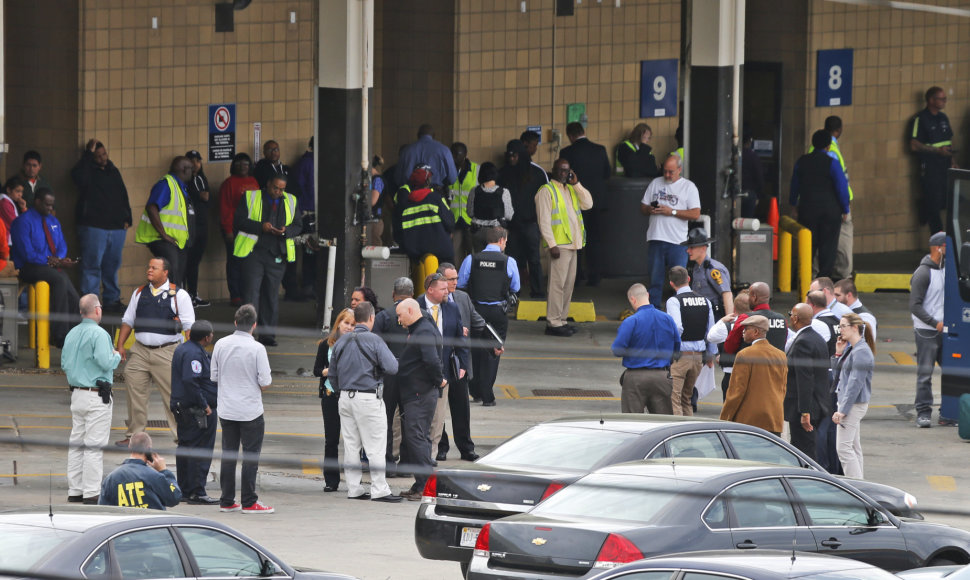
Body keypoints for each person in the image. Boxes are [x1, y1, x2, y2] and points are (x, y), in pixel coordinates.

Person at [115, 257, 195, 447]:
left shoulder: (179, 295)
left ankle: (182, 437)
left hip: (167, 352)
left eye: (154, 268)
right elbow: (128, 321)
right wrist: (120, 346)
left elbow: (189, 326)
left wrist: (189, 353)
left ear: (165, 272)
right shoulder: (139, 293)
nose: (149, 270)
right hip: (140, 352)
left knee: (174, 397)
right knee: (134, 392)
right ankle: (134, 436)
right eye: (148, 267)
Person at [329, 301, 402, 502]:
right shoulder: (375, 340)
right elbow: (392, 367)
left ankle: (354, 488)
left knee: (352, 446)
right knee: (375, 445)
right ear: (371, 318)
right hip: (368, 397)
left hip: (345, 398)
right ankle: (379, 489)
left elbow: (332, 375)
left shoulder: (340, 342)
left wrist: (342, 391)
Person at [211, 304, 274, 514]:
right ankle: (249, 501)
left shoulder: (220, 344)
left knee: (228, 454)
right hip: (250, 411)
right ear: (254, 325)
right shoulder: (257, 348)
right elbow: (265, 381)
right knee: (250, 456)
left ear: (235, 322)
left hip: (227, 409)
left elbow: (214, 376)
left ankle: (227, 500)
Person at [62, 294, 121, 505]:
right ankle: (91, 493)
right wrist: (117, 355)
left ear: (81, 311)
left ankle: (75, 489)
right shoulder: (100, 334)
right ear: (97, 310)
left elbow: (64, 364)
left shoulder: (71, 334)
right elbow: (106, 362)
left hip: (76, 393)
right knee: (94, 446)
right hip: (96, 394)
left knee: (76, 443)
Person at [233, 174, 301, 347]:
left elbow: (298, 226)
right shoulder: (251, 196)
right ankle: (246, 333)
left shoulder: (291, 200)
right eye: (275, 188)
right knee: (251, 294)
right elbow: (239, 221)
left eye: (281, 189)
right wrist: (260, 226)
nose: (278, 192)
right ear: (268, 184)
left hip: (277, 253)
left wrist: (286, 231)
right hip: (253, 252)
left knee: (271, 295)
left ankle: (267, 334)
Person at [10, 188, 80, 348]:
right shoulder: (23, 221)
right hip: (28, 267)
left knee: (74, 297)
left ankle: (75, 337)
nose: (50, 208)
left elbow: (62, 245)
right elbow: (27, 253)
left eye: (52, 205)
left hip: (52, 267)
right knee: (59, 280)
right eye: (47, 205)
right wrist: (52, 261)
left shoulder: (53, 221)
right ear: (38, 202)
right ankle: (59, 335)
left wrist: (60, 260)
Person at [458, 226, 519, 405]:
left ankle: (475, 391)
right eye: (506, 241)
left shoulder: (472, 259)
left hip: (475, 311)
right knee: (494, 351)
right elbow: (515, 287)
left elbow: (461, 283)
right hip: (497, 312)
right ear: (501, 240)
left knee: (474, 349)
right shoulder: (509, 261)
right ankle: (487, 395)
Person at [71, 138, 132, 312]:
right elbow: (77, 178)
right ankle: (90, 304)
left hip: (116, 227)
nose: (102, 158)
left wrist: (127, 217)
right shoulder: (87, 170)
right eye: (97, 156)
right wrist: (87, 156)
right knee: (92, 266)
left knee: (112, 265)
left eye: (104, 154)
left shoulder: (112, 170)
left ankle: (112, 300)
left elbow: (123, 194)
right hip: (93, 226)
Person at [395, 298, 446, 501]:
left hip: (420, 394)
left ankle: (425, 486)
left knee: (416, 438)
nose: (398, 320)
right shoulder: (420, 328)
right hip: (417, 393)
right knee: (418, 438)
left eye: (400, 315)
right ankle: (420, 484)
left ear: (410, 310)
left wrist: (438, 380)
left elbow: (431, 360)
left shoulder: (423, 331)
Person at [536, 158, 593, 336]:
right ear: (553, 171)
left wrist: (577, 184)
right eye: (560, 170)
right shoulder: (546, 191)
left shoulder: (570, 190)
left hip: (572, 245)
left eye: (567, 171)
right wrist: (552, 245)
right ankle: (553, 323)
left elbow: (588, 204)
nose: (564, 173)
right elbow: (543, 221)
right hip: (559, 246)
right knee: (556, 286)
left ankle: (562, 320)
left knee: (568, 285)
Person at [419, 274, 470, 462]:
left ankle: (430, 456)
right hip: (420, 373)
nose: (447, 291)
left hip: (444, 373)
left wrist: (463, 363)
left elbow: (459, 339)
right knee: (420, 417)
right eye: (443, 289)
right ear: (430, 290)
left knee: (437, 419)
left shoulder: (452, 307)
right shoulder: (415, 306)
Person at [435, 263, 484, 460]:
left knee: (461, 407)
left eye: (456, 278)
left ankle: (466, 448)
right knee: (438, 410)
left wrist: (494, 343)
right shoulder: (431, 302)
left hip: (458, 363)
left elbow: (478, 321)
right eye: (451, 279)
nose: (456, 282)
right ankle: (441, 446)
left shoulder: (463, 298)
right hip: (439, 362)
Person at [640, 155, 701, 307]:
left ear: (679, 170)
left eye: (671, 172)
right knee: (655, 280)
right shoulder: (655, 183)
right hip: (656, 238)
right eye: (665, 171)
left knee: (679, 282)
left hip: (677, 241)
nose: (667, 175)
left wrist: (672, 212)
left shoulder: (688, 187)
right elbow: (643, 207)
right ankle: (654, 312)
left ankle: (680, 312)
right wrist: (650, 209)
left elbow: (695, 213)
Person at [790, 130, 850, 279]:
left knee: (808, 245)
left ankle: (803, 278)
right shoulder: (833, 164)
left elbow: (794, 185)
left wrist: (793, 205)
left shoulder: (801, 161)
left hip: (807, 210)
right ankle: (824, 280)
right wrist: (845, 209)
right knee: (828, 247)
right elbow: (842, 188)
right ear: (828, 146)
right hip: (830, 211)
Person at [611, 283, 679, 414]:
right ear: (647, 295)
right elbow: (677, 348)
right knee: (663, 423)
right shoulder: (668, 319)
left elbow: (617, 350)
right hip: (662, 376)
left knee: (633, 422)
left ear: (632, 299)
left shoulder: (631, 321)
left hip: (635, 378)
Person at [170, 320, 218, 504]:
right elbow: (192, 381)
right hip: (196, 410)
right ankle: (198, 492)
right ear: (207, 337)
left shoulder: (183, 349)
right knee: (201, 449)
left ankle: (185, 490)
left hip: (184, 408)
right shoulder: (194, 354)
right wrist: (205, 405)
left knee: (186, 447)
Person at [560, 122, 611, 286]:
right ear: (583, 132)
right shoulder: (600, 149)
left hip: (577, 203)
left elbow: (563, 177)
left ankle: (577, 276)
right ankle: (595, 277)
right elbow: (607, 173)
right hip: (598, 202)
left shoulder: (567, 152)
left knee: (577, 240)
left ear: (570, 136)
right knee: (595, 240)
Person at [719, 315, 788, 435]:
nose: (743, 332)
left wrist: (725, 418)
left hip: (749, 421)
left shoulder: (745, 354)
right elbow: (782, 388)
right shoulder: (781, 355)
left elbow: (736, 391)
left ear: (756, 332)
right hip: (773, 419)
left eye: (746, 329)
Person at [372, 277, 414, 472]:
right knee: (408, 420)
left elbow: (375, 346)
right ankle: (406, 462)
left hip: (387, 375)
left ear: (393, 294)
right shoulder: (418, 315)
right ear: (412, 295)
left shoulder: (383, 316)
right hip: (411, 375)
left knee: (385, 419)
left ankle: (388, 462)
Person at [499, 139, 548, 298]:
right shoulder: (504, 173)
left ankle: (538, 291)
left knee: (533, 260)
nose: (511, 159)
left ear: (521, 155)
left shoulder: (537, 172)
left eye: (514, 156)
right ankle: (514, 293)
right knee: (512, 261)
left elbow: (546, 198)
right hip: (511, 225)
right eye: (509, 156)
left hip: (530, 223)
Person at [135, 156, 194, 287]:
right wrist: (164, 235)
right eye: (191, 169)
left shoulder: (180, 187)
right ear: (184, 169)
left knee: (176, 276)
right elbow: (151, 208)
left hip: (176, 242)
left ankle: (174, 304)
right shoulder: (167, 184)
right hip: (163, 240)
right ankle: (168, 304)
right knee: (170, 274)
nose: (193, 172)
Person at [313, 308, 355, 492]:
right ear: (338, 323)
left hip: (351, 396)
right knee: (331, 440)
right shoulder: (325, 344)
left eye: (353, 325)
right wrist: (331, 370)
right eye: (346, 323)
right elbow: (316, 370)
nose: (349, 327)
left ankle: (354, 480)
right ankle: (331, 480)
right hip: (331, 396)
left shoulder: (356, 344)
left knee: (353, 440)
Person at [665, 266, 716, 416]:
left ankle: (676, 435)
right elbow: (711, 332)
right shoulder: (705, 301)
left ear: (671, 284)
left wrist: (671, 351)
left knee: (674, 398)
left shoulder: (674, 301)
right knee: (686, 399)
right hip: (698, 357)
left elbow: (678, 328)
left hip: (681, 356)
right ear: (688, 279)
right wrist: (710, 355)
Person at [784, 303, 831, 460]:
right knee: (809, 447)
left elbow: (805, 379)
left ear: (796, 318)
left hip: (804, 409)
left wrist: (805, 412)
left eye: (791, 314)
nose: (790, 317)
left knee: (803, 451)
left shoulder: (802, 342)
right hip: (818, 405)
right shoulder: (817, 339)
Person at [832, 312, 875, 479]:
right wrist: (838, 354)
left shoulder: (861, 351)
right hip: (851, 403)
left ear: (855, 328)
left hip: (853, 405)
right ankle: (861, 484)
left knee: (843, 449)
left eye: (843, 326)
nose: (840, 330)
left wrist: (843, 409)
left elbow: (855, 382)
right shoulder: (853, 349)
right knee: (854, 447)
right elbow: (841, 377)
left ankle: (856, 487)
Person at [911, 231, 946, 428]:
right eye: (947, 247)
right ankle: (923, 412)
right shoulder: (923, 273)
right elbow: (915, 305)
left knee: (950, 371)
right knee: (925, 374)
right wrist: (935, 323)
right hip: (927, 331)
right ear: (938, 248)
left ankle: (947, 411)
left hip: (945, 330)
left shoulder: (946, 269)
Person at [910, 86, 957, 234]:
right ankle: (939, 247)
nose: (944, 101)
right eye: (941, 99)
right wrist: (937, 151)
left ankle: (924, 207)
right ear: (931, 100)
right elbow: (913, 145)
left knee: (949, 201)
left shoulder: (943, 118)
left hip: (945, 168)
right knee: (934, 207)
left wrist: (953, 160)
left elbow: (948, 142)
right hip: (930, 169)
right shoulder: (920, 119)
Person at [813, 116, 855, 279]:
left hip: (816, 204)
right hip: (834, 203)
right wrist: (845, 206)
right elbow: (839, 182)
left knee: (818, 239)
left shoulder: (814, 148)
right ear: (839, 130)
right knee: (842, 237)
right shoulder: (831, 150)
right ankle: (843, 274)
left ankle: (814, 272)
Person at [99, 432, 181, 510]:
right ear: (148, 449)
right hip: (150, 523)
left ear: (130, 447)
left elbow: (103, 510)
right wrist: (164, 471)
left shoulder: (110, 479)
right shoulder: (154, 476)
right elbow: (174, 497)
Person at [219, 153, 259, 306]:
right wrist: (228, 230)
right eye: (239, 164)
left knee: (248, 262)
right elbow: (225, 209)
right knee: (234, 262)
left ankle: (246, 294)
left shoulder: (254, 181)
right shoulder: (228, 183)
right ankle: (235, 295)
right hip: (234, 228)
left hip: (251, 228)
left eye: (246, 164)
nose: (243, 167)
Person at [395, 164, 455, 264]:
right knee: (449, 274)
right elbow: (450, 222)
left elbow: (398, 231)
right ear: (427, 181)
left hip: (415, 254)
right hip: (441, 251)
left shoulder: (405, 204)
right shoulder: (435, 198)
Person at [706, 291, 751, 399]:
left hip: (730, 374)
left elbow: (711, 336)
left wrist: (722, 320)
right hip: (751, 374)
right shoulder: (760, 324)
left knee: (728, 411)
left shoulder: (727, 326)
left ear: (734, 309)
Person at [723, 281, 788, 355]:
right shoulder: (782, 319)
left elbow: (729, 348)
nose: (748, 299)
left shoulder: (745, 318)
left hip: (750, 365)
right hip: (776, 365)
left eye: (749, 296)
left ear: (754, 297)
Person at [683, 228, 734, 319]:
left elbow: (727, 294)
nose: (688, 251)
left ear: (703, 248)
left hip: (715, 315)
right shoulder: (696, 268)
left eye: (692, 247)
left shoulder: (713, 269)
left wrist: (729, 322)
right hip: (701, 315)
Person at [183, 150, 211, 307]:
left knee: (195, 262)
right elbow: (200, 196)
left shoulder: (201, 178)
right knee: (187, 262)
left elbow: (207, 197)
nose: (195, 164)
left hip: (202, 225)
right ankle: (187, 295)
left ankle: (193, 293)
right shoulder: (184, 180)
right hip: (189, 226)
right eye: (191, 161)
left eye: (197, 161)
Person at [466, 162, 513, 251]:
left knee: (479, 261)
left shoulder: (474, 191)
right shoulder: (504, 192)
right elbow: (509, 216)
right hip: (496, 232)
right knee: (496, 262)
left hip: (478, 231)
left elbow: (470, 213)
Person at [449, 142, 478, 262]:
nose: (455, 157)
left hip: (471, 222)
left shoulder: (477, 169)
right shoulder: (447, 171)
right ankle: (458, 281)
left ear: (465, 154)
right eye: (452, 154)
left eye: (458, 154)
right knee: (456, 258)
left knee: (474, 256)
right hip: (454, 221)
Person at [367, 155, 386, 247]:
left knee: (375, 248)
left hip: (375, 221)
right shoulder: (373, 179)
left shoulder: (377, 180)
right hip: (371, 220)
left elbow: (372, 201)